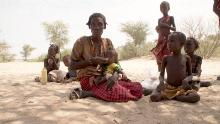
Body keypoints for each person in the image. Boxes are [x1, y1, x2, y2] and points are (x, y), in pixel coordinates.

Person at [69, 13, 150, 102]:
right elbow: (72, 66)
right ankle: (87, 93)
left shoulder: (108, 42)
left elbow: (115, 63)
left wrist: (115, 76)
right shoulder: (81, 42)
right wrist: (91, 61)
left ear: (104, 26)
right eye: (93, 24)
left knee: (137, 87)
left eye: (100, 24)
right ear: (89, 26)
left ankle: (91, 92)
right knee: (117, 92)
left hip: (107, 77)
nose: (96, 27)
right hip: (89, 80)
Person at [150, 32, 200, 103]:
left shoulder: (186, 58)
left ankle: (175, 96)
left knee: (195, 97)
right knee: (153, 97)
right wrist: (161, 82)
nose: (169, 43)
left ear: (182, 44)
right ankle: (177, 96)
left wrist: (186, 80)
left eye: (172, 41)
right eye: (168, 41)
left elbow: (190, 75)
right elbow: (161, 75)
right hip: (168, 87)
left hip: (182, 87)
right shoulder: (166, 58)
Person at [151, 1, 176, 72]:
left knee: (168, 57)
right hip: (160, 40)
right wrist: (157, 29)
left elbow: (174, 29)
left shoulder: (171, 18)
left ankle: (170, 76)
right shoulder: (159, 20)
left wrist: (166, 26)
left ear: (168, 8)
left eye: (165, 7)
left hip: (168, 40)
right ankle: (161, 76)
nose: (163, 9)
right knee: (159, 57)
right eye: (161, 7)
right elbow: (159, 30)